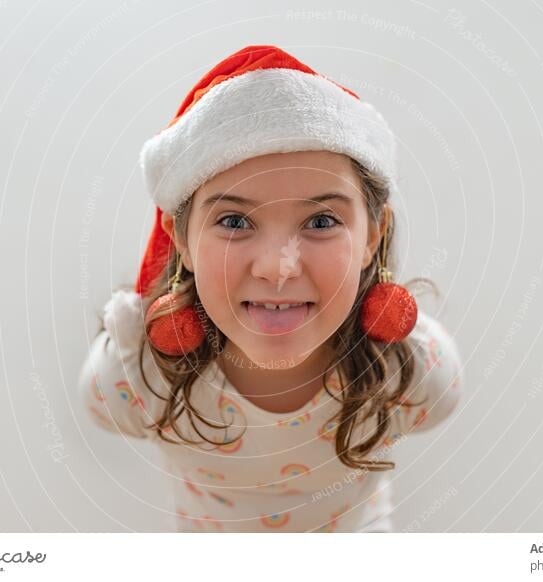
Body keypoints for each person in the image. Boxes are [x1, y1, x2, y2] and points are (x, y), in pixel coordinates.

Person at [77, 45, 464, 532]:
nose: (277, 268)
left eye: (321, 220)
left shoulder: (411, 369)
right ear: (183, 242)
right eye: (235, 220)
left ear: (372, 236)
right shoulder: (137, 376)